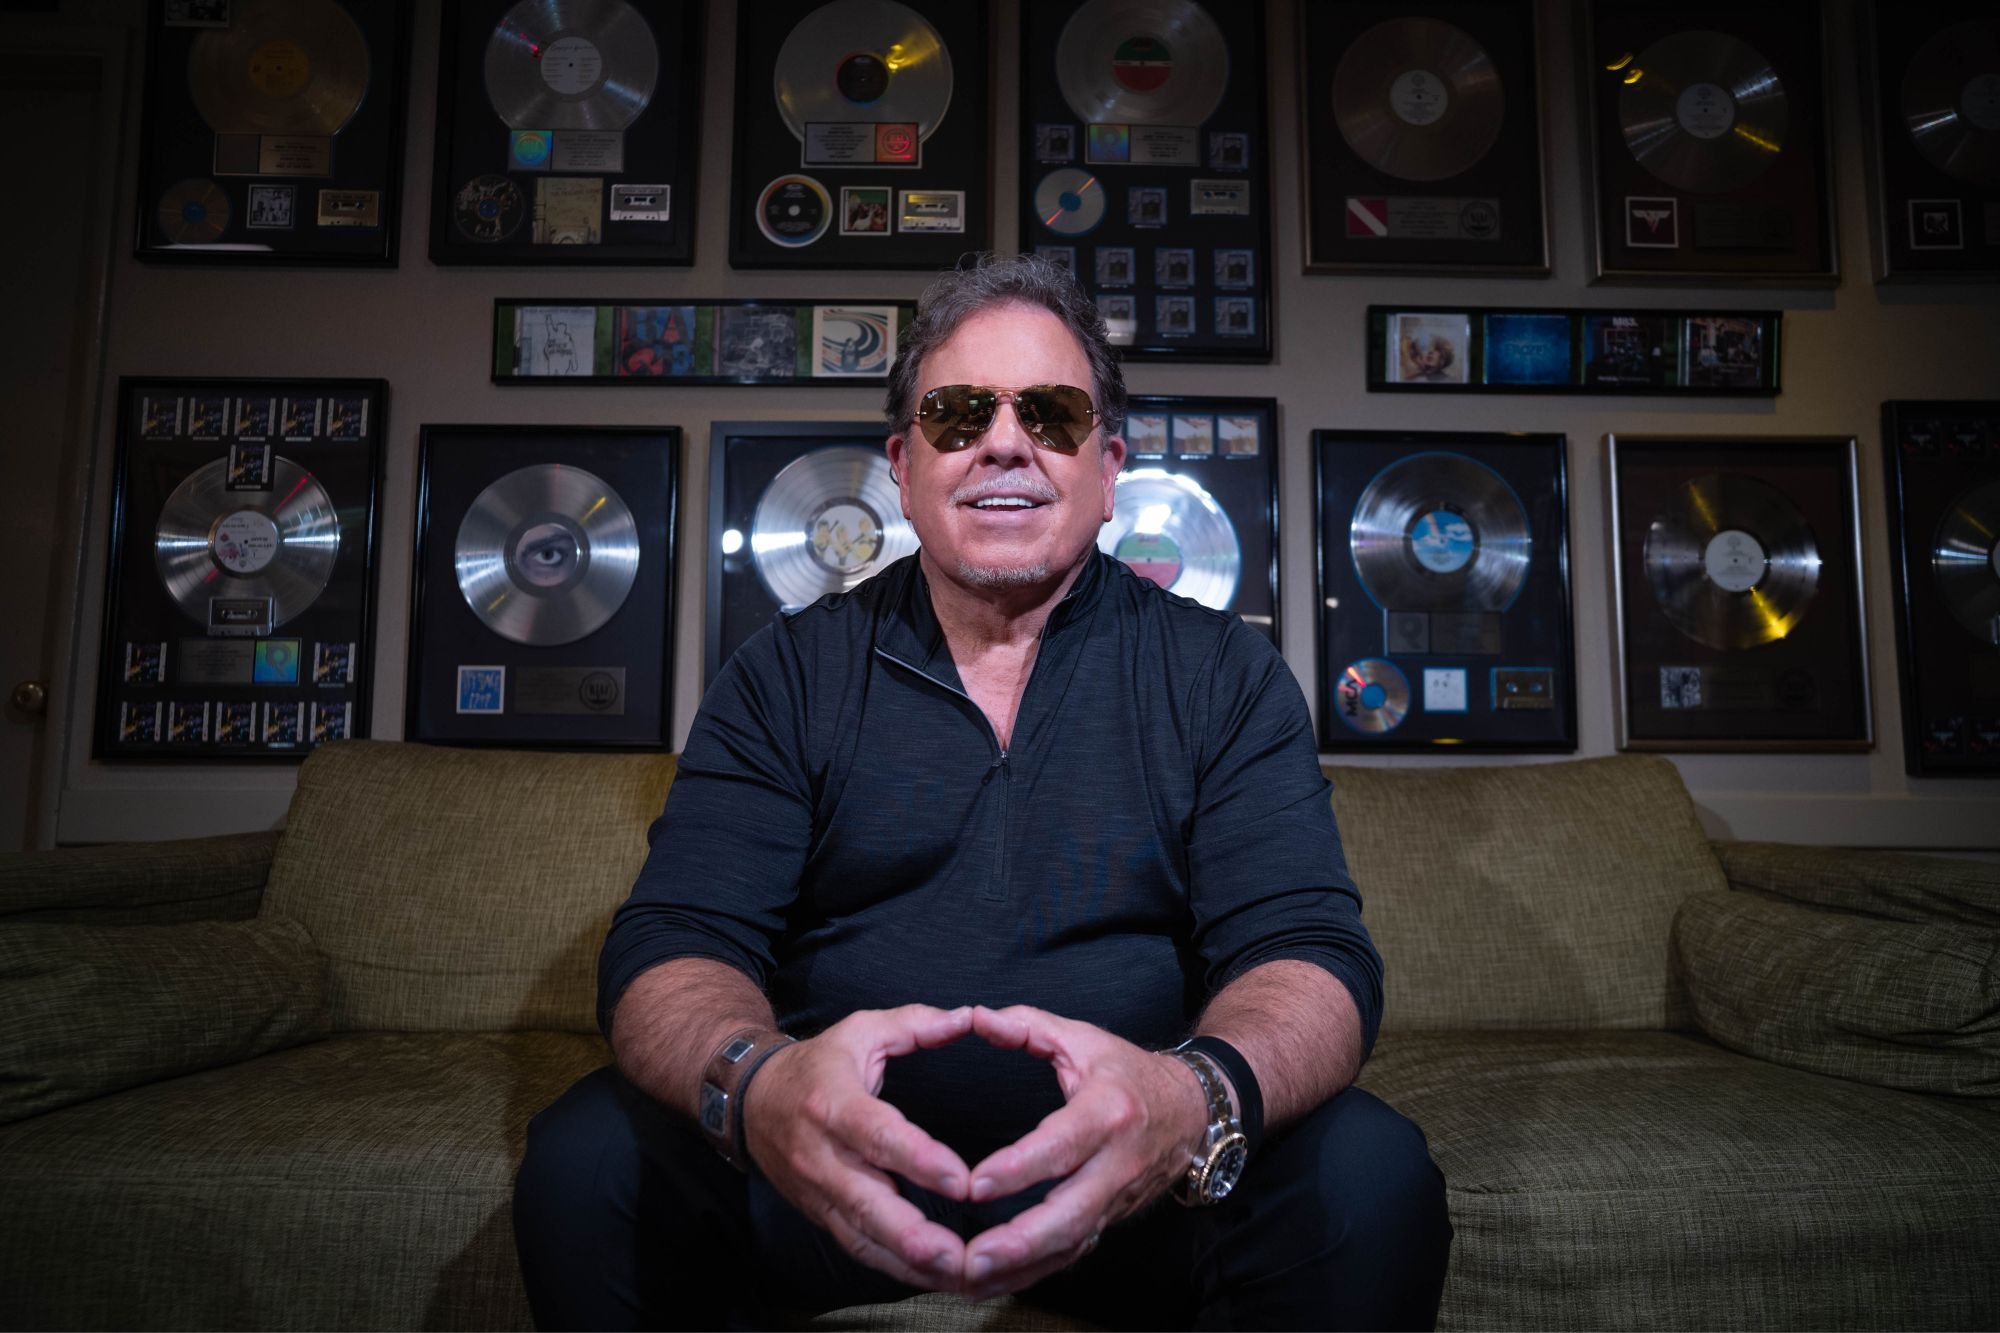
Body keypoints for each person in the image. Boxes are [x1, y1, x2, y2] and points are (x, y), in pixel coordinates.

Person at [512, 254, 1452, 1331]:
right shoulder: (784, 673)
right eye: (958, 414)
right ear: (902, 465)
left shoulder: (1223, 676)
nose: (1004, 440)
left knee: (1369, 1175)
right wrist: (759, 1085)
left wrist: (1188, 1099)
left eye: (1050, 414)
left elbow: (1307, 953)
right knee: (589, 1158)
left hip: (1143, 1183)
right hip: (827, 1177)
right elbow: (676, 940)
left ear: (1108, 469)